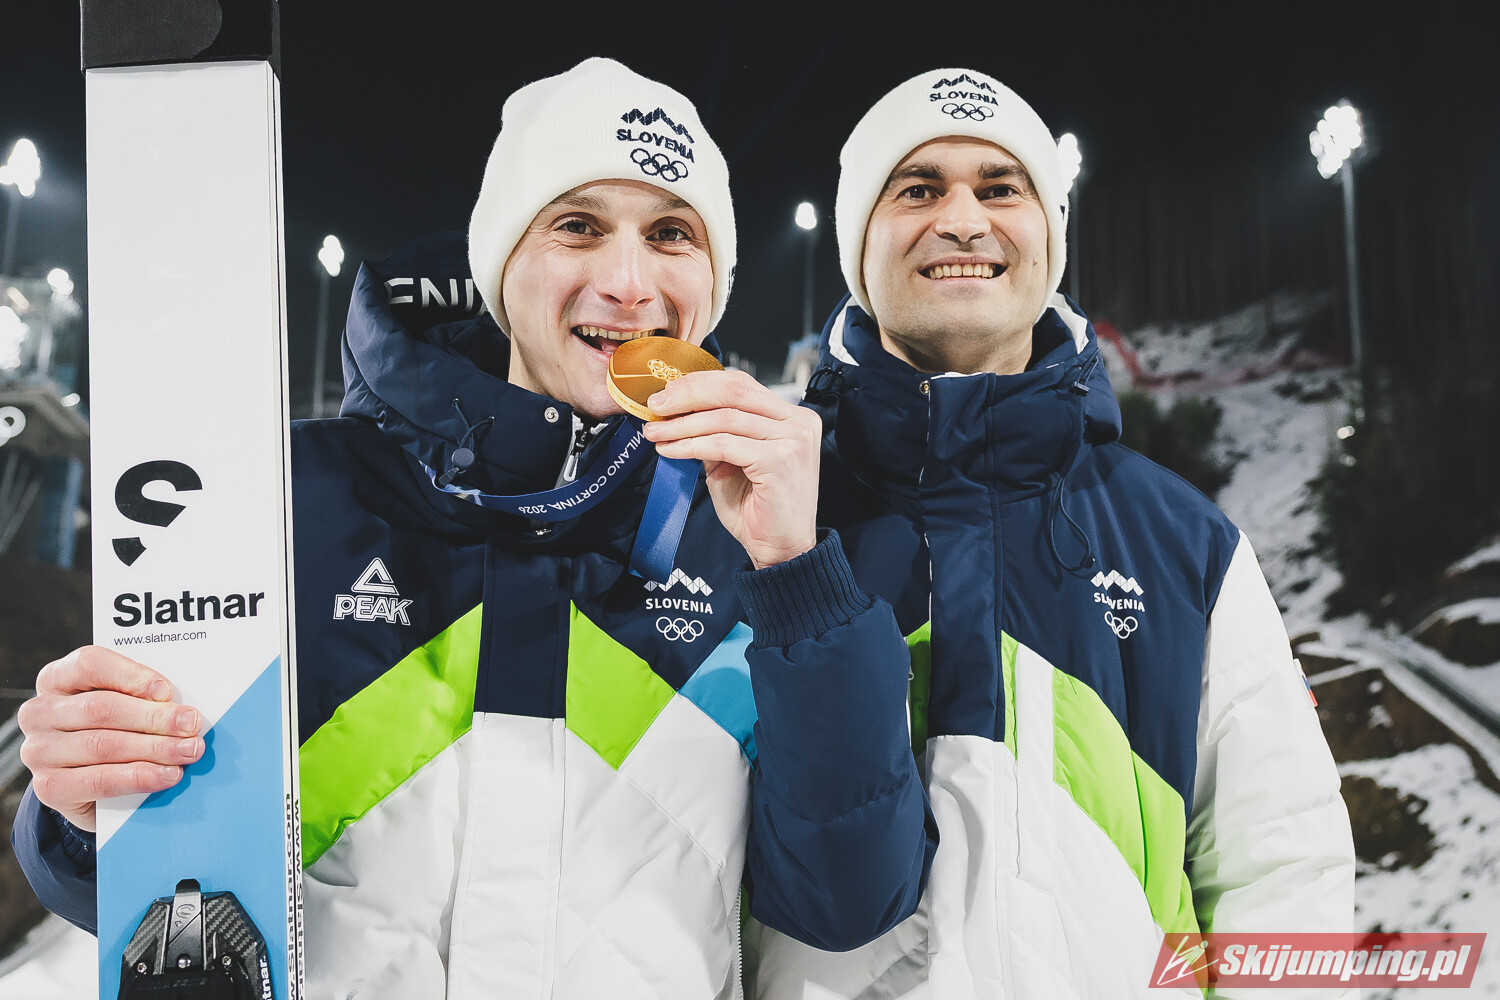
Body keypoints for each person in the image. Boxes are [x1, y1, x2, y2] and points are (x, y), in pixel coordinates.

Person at [12, 57, 934, 998]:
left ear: (713, 280)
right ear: (501, 266)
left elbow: (847, 902)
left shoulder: (756, 534)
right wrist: (88, 806)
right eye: (577, 226)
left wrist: (795, 570)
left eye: (671, 235)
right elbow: (162, 880)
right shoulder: (296, 497)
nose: (628, 282)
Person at [724, 67, 1356, 998]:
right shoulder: (759, 513)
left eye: (999, 188)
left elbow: (1283, 865)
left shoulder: (1185, 541)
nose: (962, 220)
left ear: (1049, 236)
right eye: (918, 189)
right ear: (860, 242)